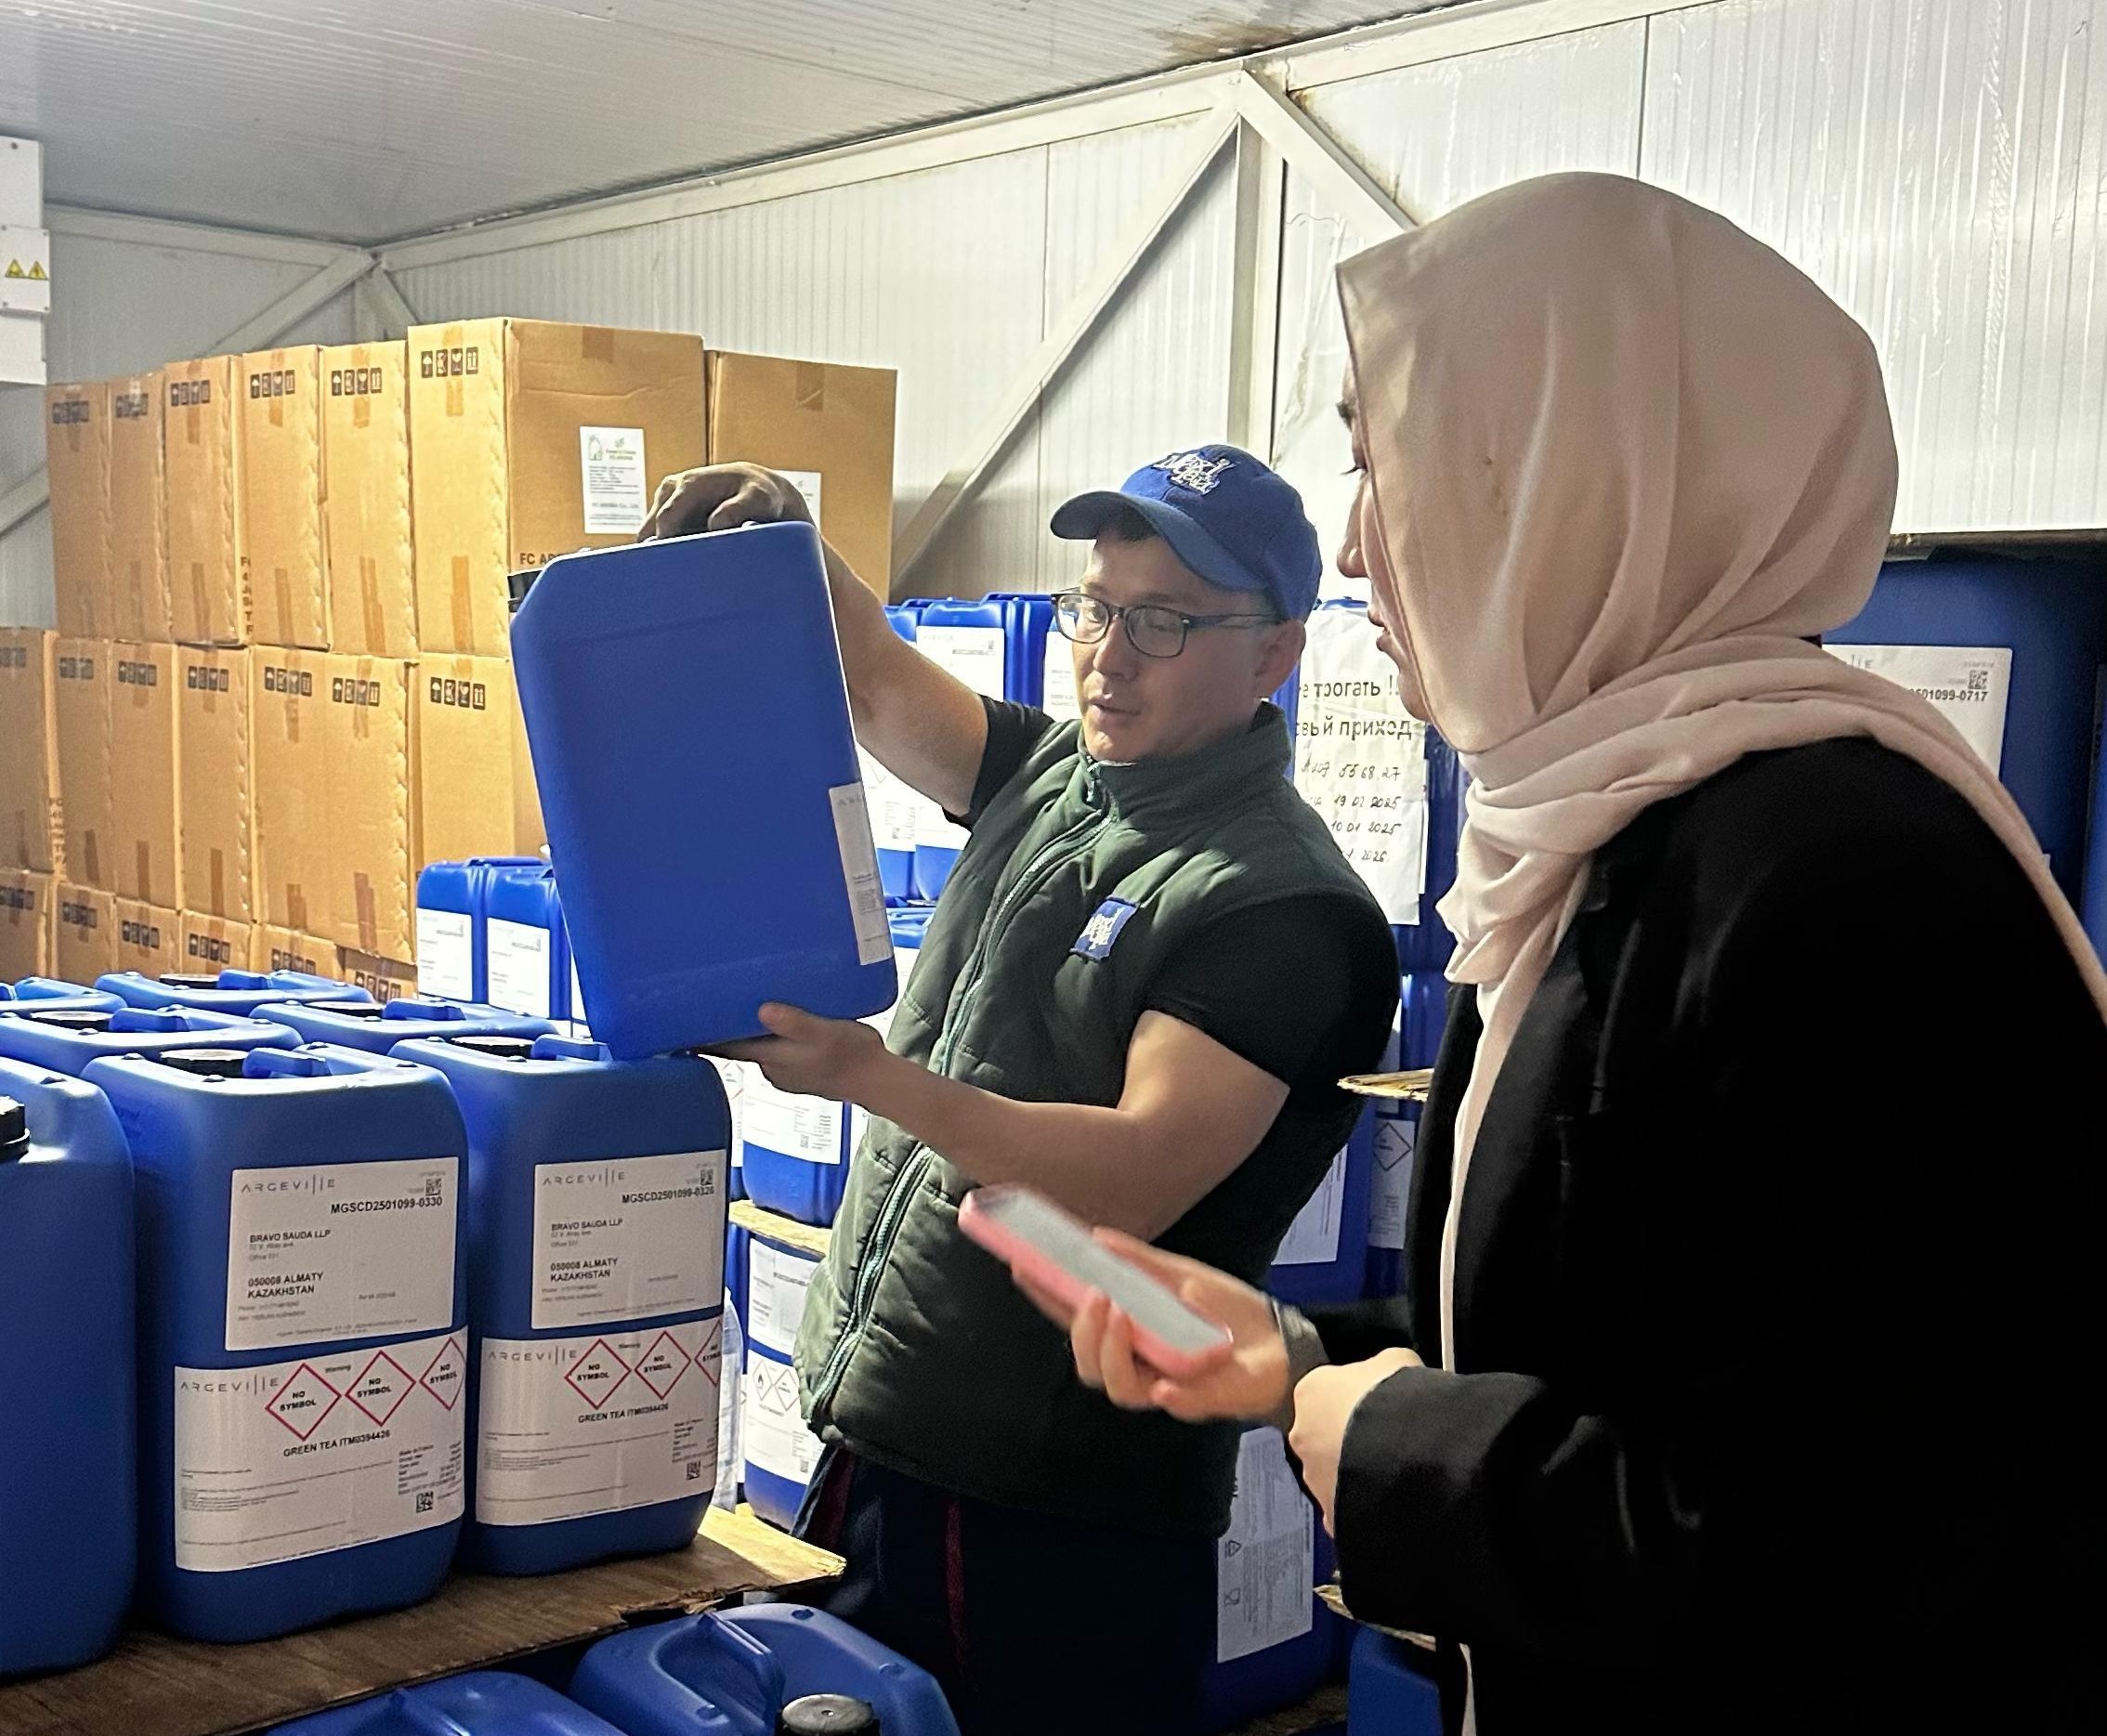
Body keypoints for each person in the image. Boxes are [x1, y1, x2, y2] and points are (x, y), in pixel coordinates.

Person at [1011, 174, 2107, 1733]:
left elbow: (1857, 1532)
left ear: (1579, 484)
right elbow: (1619, 1332)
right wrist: (1298, 1354)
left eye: (1386, 466)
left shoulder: (1849, 892)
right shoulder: (1597, 834)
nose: (1354, 549)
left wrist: (1387, 1446)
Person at [640, 447, 1398, 1735]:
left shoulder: (1282, 907)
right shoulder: (1053, 779)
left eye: (1165, 622)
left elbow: (1136, 1169)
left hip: (1052, 1509)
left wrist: (872, 1077)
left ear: (1276, 654)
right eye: (1095, 607)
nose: (1110, 656)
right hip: (897, 1434)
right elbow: (876, 679)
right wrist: (790, 538)